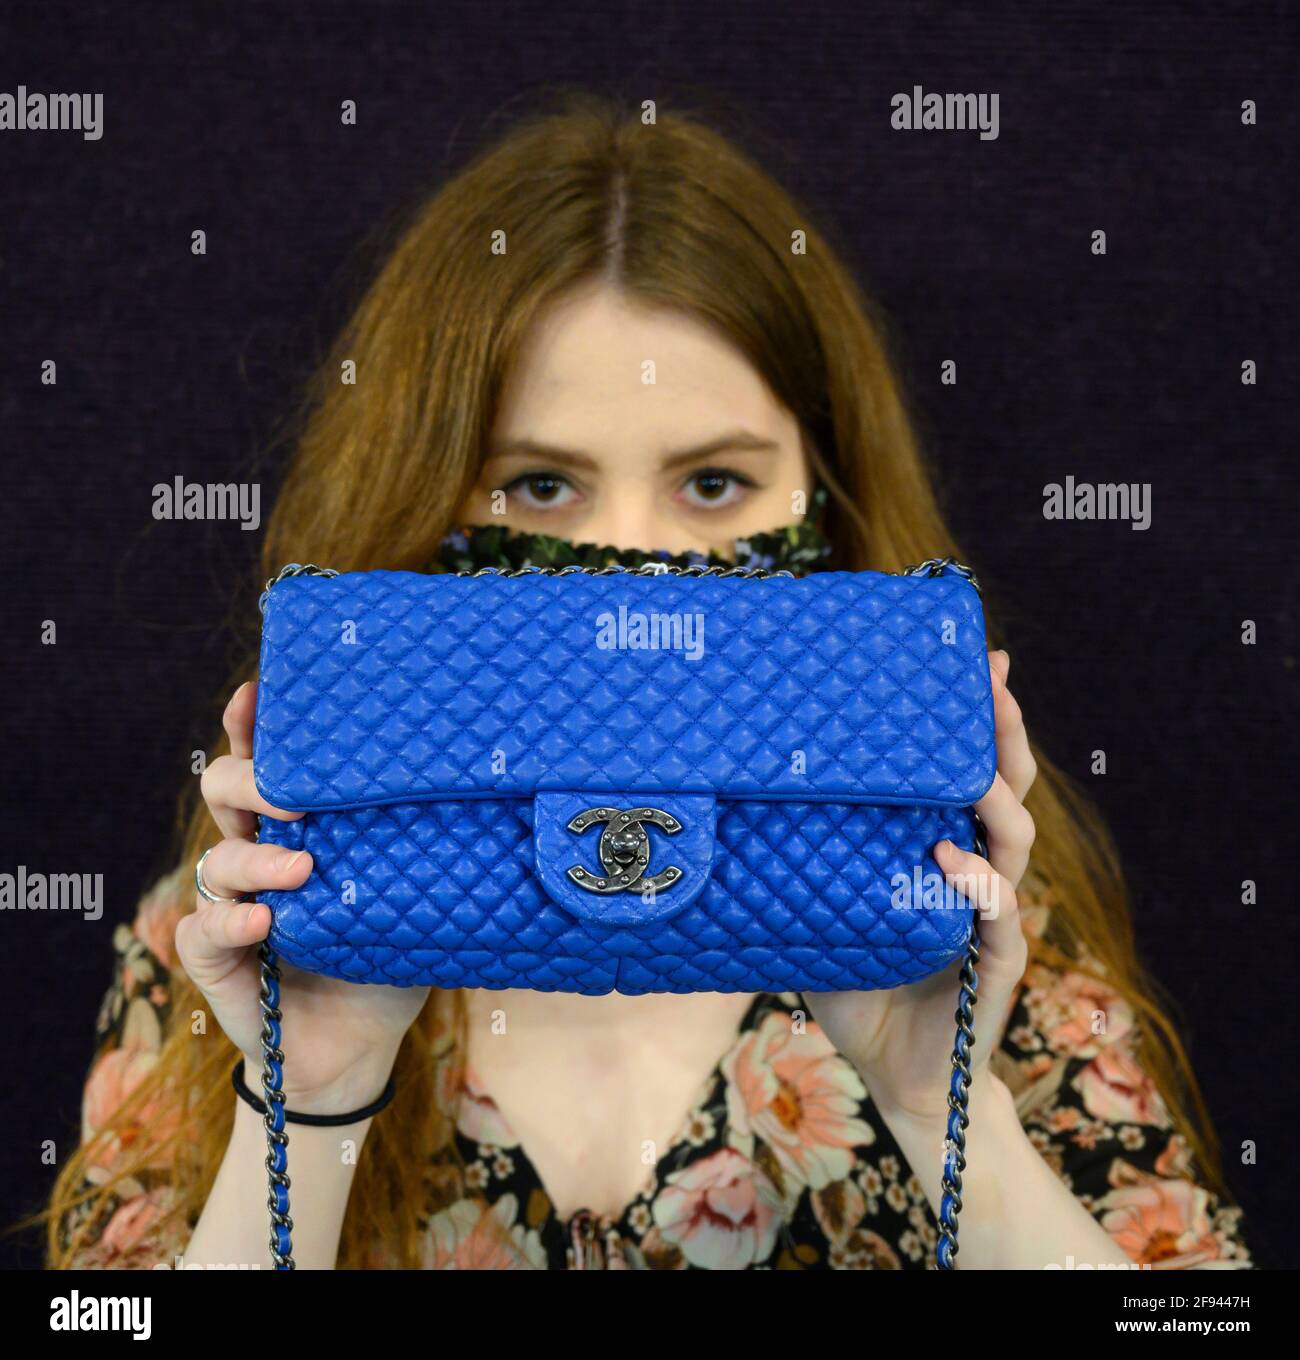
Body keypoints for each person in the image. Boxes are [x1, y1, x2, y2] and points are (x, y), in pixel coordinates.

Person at [43, 94, 1251, 1270]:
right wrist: (310, 1098)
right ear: (420, 502)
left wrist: (945, 1112)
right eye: (540, 486)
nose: (632, 565)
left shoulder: (971, 935)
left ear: (829, 510)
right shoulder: (238, 935)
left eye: (714, 485)